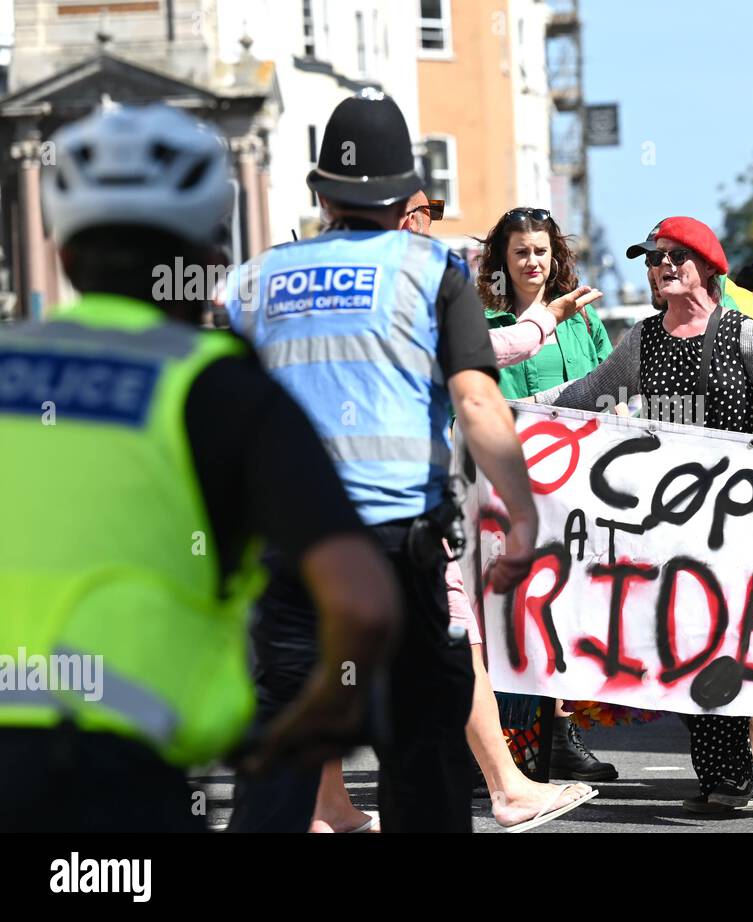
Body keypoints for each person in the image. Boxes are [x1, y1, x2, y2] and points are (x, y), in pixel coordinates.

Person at [0, 103, 399, 832]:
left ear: (60, 253)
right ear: (210, 257)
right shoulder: (219, 385)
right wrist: (307, 726)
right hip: (114, 786)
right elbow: (362, 601)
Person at [223, 92, 539, 833]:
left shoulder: (251, 284)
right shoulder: (432, 273)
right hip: (399, 556)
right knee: (421, 758)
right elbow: (478, 404)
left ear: (321, 193)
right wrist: (521, 518)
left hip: (293, 561)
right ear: (408, 196)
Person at [533, 216, 753, 812]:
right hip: (668, 533)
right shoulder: (643, 341)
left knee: (727, 648)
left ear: (708, 266)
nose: (660, 267)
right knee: (681, 649)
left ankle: (733, 775)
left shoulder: (744, 335)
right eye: (651, 258)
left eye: (672, 257)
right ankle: (731, 775)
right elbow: (580, 396)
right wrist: (507, 409)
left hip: (738, 529)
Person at [474, 205, 624, 783]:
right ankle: (505, 743)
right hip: (506, 485)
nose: (532, 261)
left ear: (554, 255)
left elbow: (611, 388)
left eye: (541, 250)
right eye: (520, 252)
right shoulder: (485, 323)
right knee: (509, 610)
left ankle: (561, 733)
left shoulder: (584, 320)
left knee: (566, 605)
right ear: (503, 260)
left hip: (577, 483)